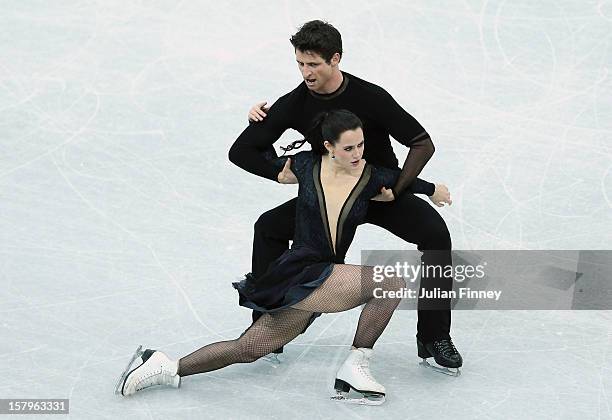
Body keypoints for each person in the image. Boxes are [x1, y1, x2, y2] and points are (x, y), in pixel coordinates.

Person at [116, 110, 439, 404]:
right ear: (328, 146)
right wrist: (256, 122)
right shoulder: (304, 164)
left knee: (248, 349)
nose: (357, 154)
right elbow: (254, 154)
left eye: (360, 145)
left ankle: (165, 366)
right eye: (348, 148)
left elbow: (402, 181)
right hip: (302, 271)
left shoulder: (370, 176)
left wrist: (433, 189)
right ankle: (355, 368)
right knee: (391, 283)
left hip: (314, 275)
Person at [229, 20, 462, 374]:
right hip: (328, 202)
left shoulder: (371, 97)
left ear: (335, 59)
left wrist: (395, 191)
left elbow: (421, 143)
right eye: (300, 64)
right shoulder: (293, 103)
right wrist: (277, 171)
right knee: (269, 227)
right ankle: (267, 326)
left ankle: (433, 338)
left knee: (436, 236)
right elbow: (242, 150)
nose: (306, 73)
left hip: (377, 189)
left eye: (314, 65)